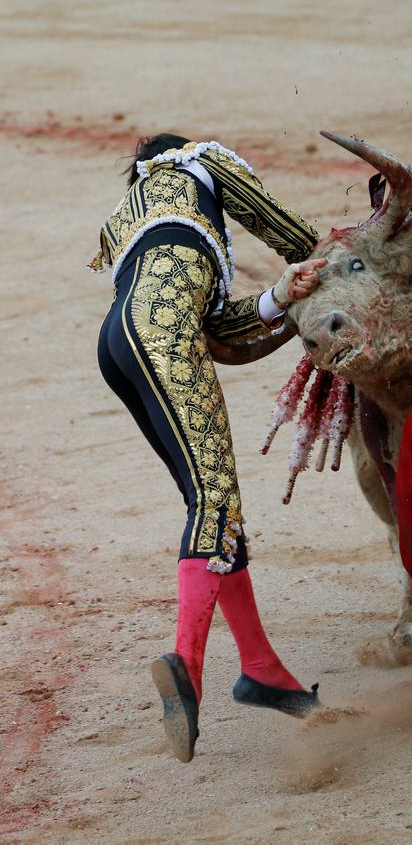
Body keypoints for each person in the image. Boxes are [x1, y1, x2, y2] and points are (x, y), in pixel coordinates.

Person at [90, 133, 326, 762]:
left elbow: (221, 327)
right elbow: (294, 235)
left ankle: (261, 669)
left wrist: (282, 297)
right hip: (161, 334)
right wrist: (326, 260)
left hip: (118, 343)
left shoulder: (133, 215)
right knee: (215, 502)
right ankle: (188, 669)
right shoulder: (199, 163)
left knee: (211, 503)